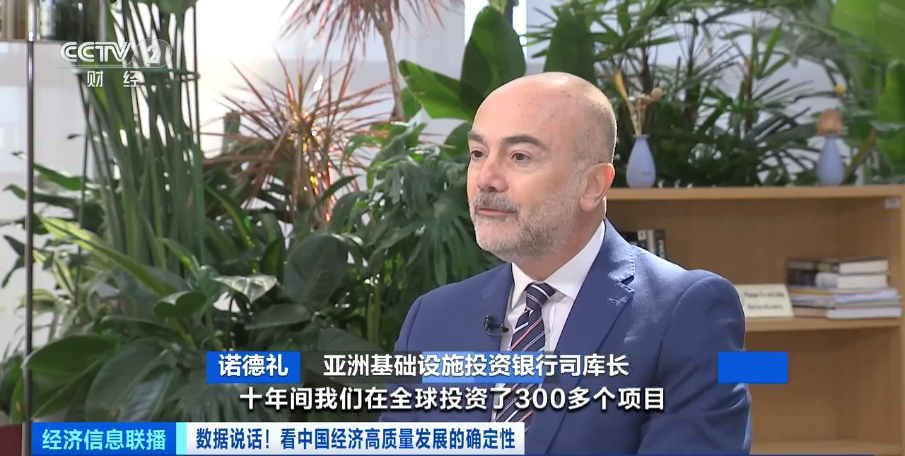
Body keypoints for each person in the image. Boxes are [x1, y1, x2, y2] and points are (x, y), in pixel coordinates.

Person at [379, 72, 752, 454]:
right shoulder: (431, 317)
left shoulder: (688, 311)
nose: (486, 179)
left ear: (592, 185)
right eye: (478, 153)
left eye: (520, 156)